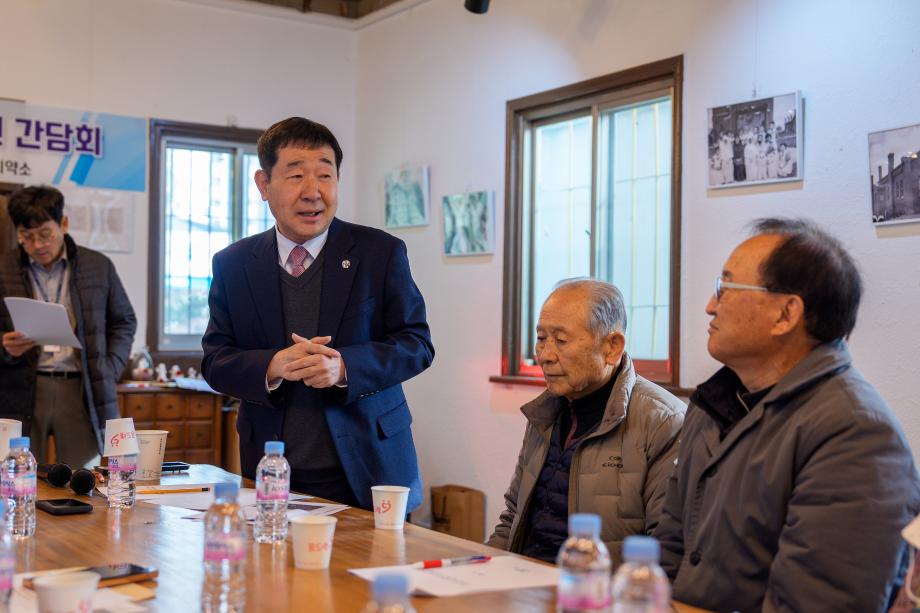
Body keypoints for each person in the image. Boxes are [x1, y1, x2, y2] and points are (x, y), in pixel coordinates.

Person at [654, 218, 920, 612]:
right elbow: (667, 552)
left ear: (786, 314)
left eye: (726, 288)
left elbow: (820, 603)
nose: (710, 306)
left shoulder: (855, 433)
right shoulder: (714, 405)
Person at [201, 117, 434, 511]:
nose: (313, 192)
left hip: (372, 469)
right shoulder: (233, 264)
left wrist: (344, 367)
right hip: (274, 471)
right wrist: (272, 365)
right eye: (296, 176)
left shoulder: (379, 253)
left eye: (325, 176)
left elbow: (417, 344)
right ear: (264, 185)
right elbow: (215, 360)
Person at [487, 279, 685, 565]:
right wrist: (483, 567)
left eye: (561, 340)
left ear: (612, 347)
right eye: (541, 338)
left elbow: (666, 548)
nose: (545, 356)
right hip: (523, 576)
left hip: (593, 585)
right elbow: (513, 518)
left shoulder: (663, 421)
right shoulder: (546, 411)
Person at [0, 186, 136, 467]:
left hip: (81, 387)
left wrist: (109, 368)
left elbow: (124, 321)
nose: (37, 245)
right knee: (19, 474)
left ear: (63, 224)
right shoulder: (4, 268)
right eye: (27, 237)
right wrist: (4, 346)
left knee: (83, 476)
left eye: (45, 234)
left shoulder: (98, 266)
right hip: (21, 387)